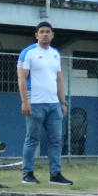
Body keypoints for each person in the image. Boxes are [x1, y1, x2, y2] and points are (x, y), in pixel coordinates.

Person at [18, 20, 74, 185]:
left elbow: (58, 79)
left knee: (56, 140)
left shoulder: (55, 53)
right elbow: (21, 78)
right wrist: (24, 102)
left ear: (52, 35)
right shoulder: (28, 53)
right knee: (32, 139)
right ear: (36, 35)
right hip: (35, 103)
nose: (45, 34)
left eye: (48, 31)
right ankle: (27, 174)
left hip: (53, 104)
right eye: (41, 31)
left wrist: (62, 102)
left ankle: (55, 174)